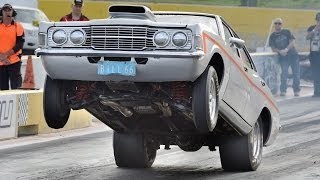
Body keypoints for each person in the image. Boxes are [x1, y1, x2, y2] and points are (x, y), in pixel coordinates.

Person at [269, 18, 300, 97]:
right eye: (276, 23)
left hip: (293, 55)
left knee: (296, 73)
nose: (277, 25)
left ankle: (296, 90)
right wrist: (280, 51)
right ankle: (283, 91)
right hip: (283, 57)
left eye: (279, 23)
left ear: (281, 24)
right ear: (274, 25)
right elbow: (273, 48)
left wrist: (286, 49)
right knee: (284, 74)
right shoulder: (272, 36)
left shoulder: (287, 31)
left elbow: (292, 42)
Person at [0, 3, 25, 90]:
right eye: (5, 10)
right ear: (1, 13)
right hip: (1, 62)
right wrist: (2, 57)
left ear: (12, 12)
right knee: (2, 90)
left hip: (14, 61)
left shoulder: (18, 26)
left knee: (17, 88)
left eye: (9, 10)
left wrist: (5, 55)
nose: (7, 12)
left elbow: (19, 44)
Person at [306, 13, 320, 97]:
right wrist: (315, 29)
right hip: (314, 54)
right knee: (315, 73)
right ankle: (317, 91)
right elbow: (307, 37)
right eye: (318, 19)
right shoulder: (312, 28)